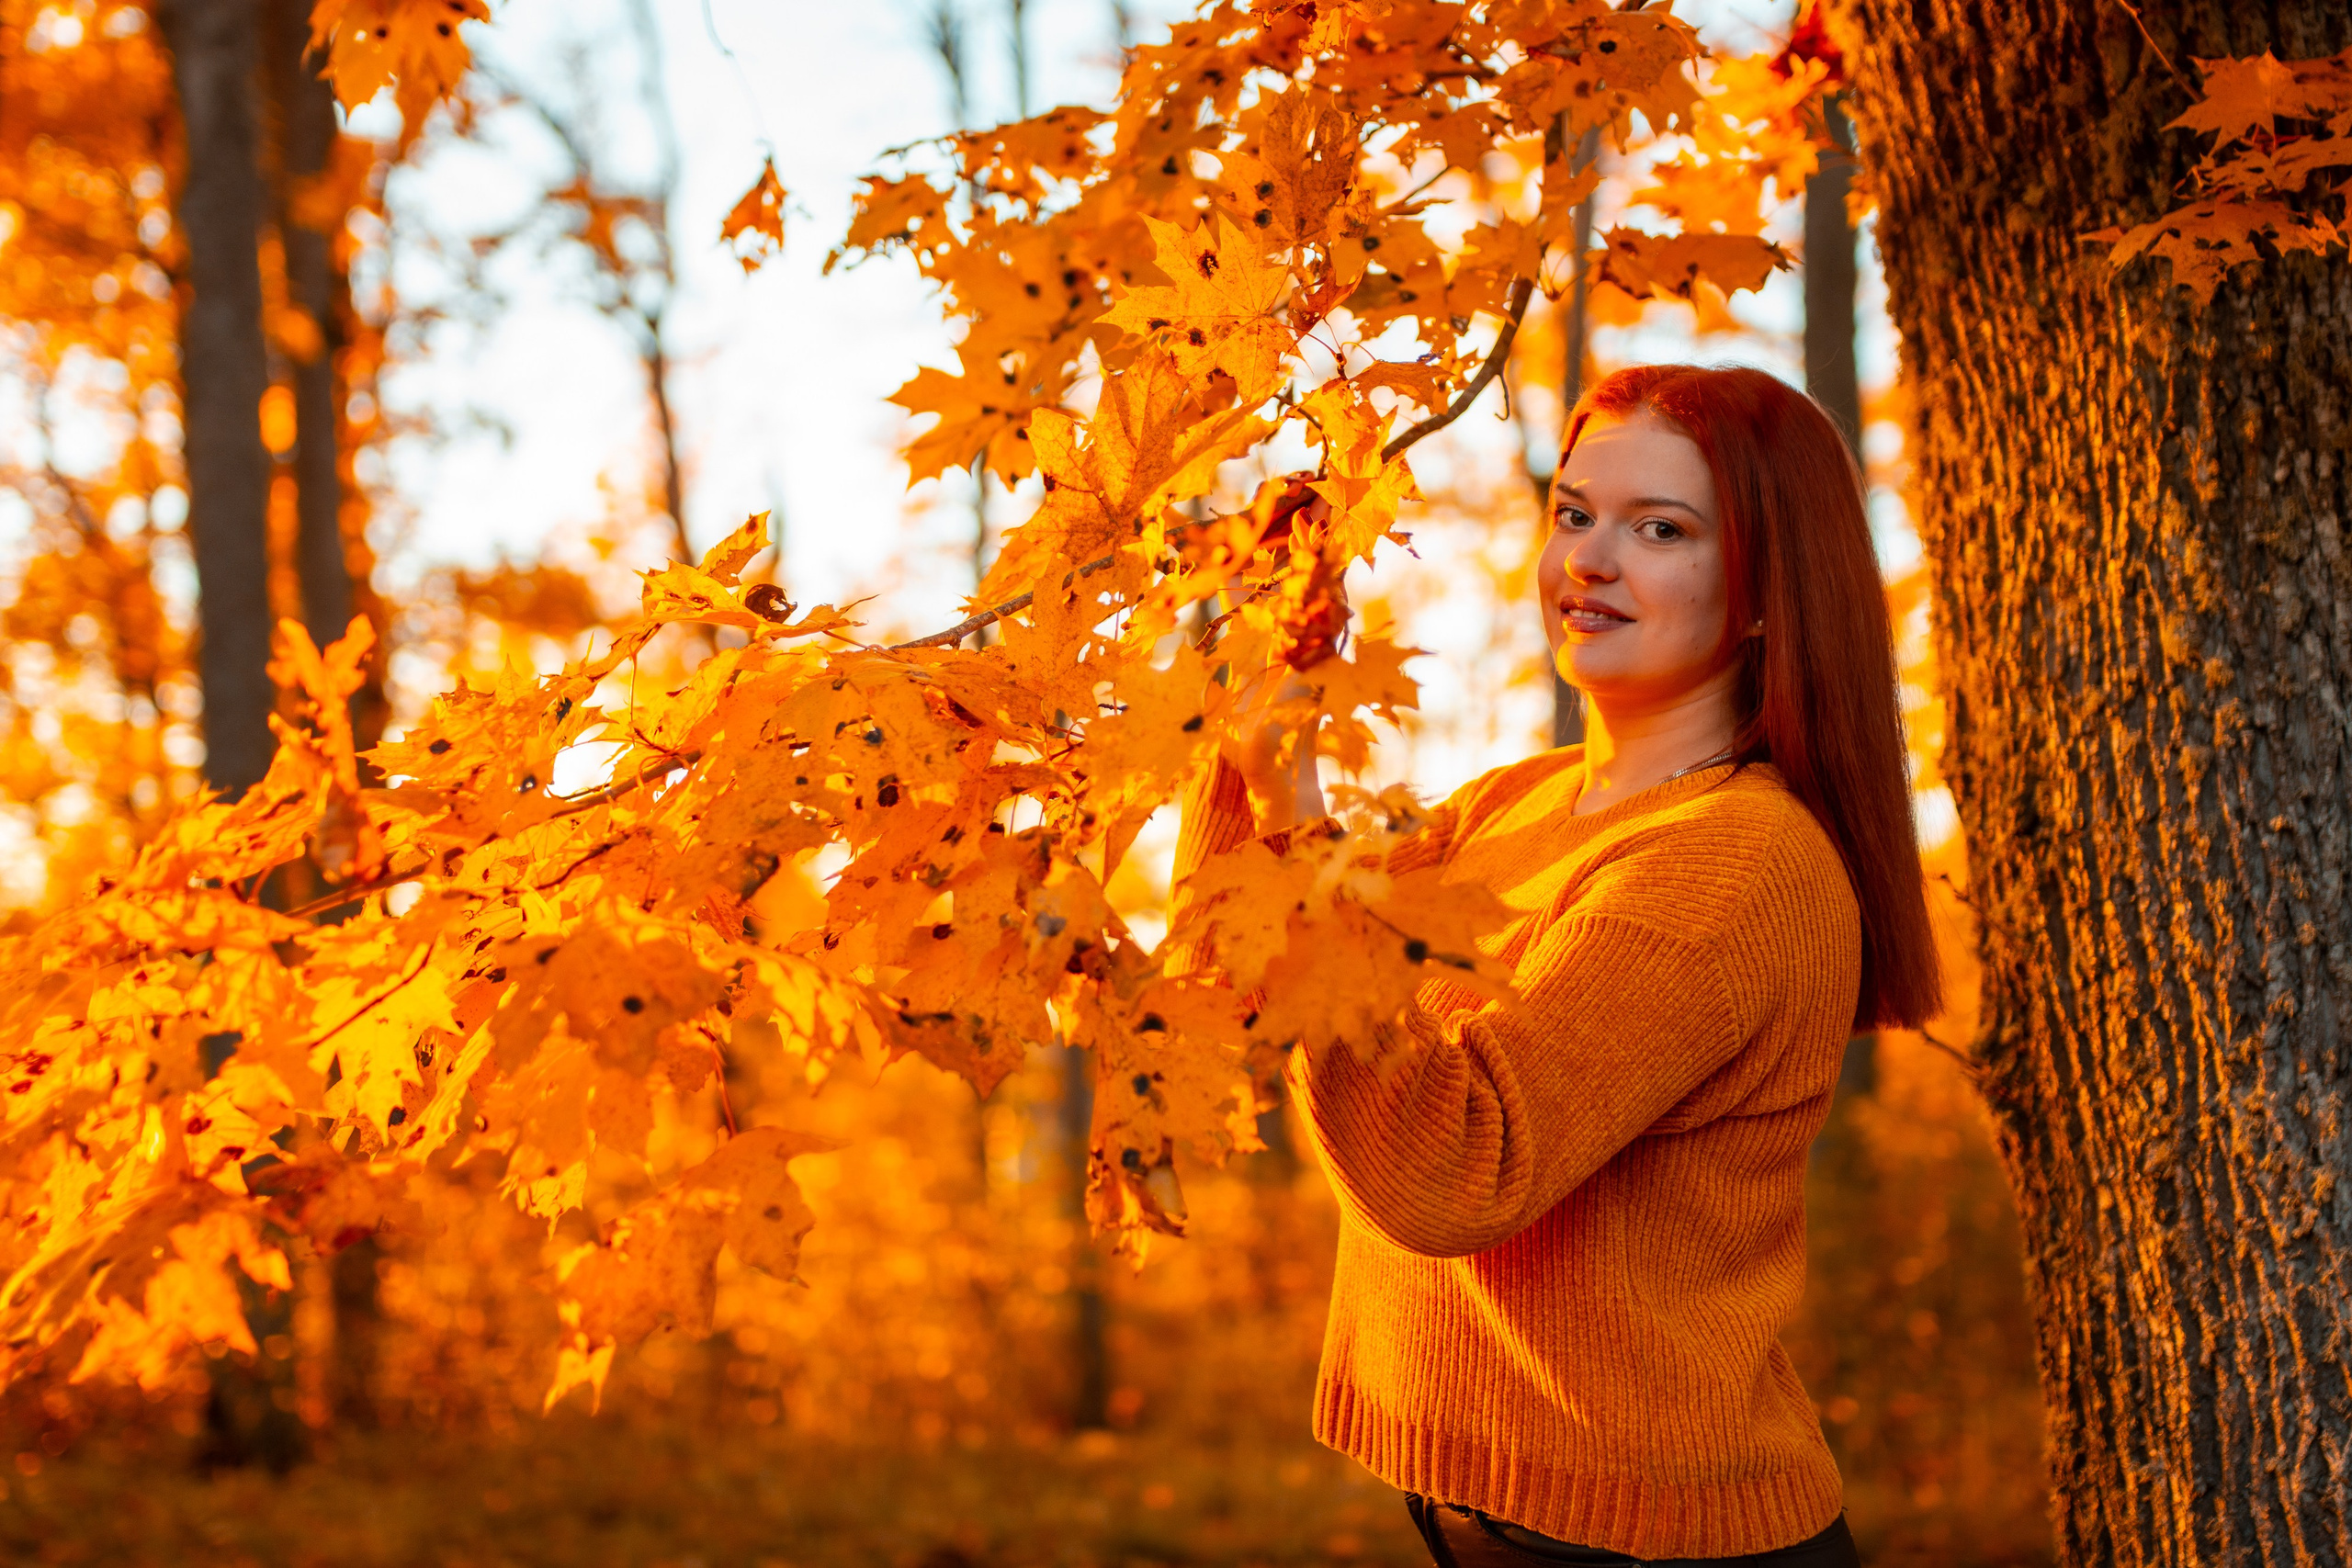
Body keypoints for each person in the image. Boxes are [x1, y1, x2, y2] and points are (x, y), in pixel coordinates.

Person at [1177, 365, 1940, 1566]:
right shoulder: (1515, 804)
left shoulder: (1735, 861)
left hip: (1652, 1543)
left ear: (1759, 598)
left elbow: (1455, 1168)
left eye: (1661, 530)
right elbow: (1238, 983)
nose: (1589, 559)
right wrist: (1249, 737)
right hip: (1497, 1519)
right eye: (1576, 514)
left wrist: (1298, 809)